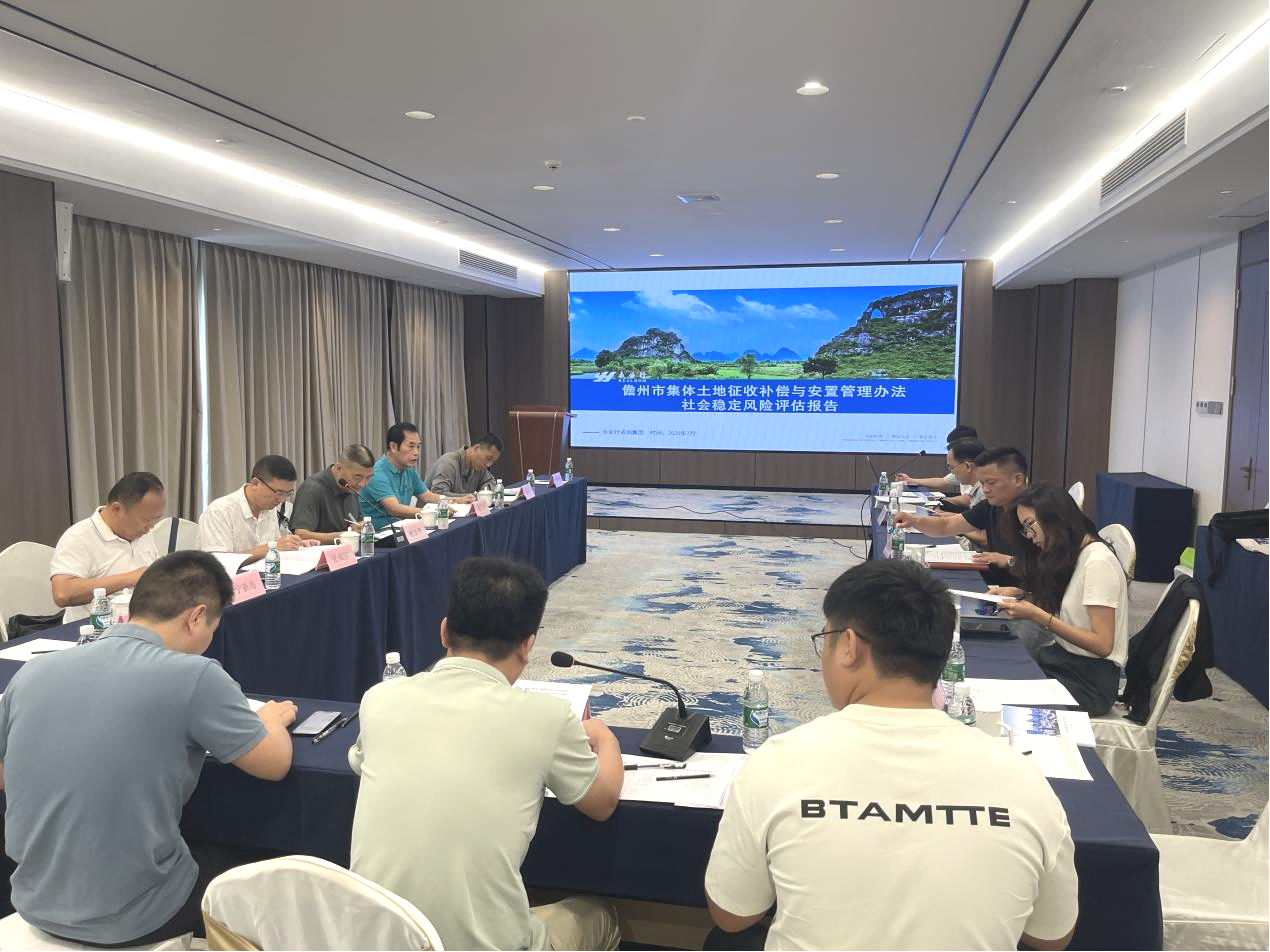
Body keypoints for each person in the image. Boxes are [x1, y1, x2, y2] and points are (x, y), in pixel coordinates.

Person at [703, 560, 1077, 951]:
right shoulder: (1025, 781)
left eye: (825, 639)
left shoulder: (776, 764)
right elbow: (1050, 937)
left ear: (849, 647)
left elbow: (733, 915)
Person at [0, 551, 297, 946]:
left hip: (33, 900)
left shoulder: (34, 672)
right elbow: (274, 764)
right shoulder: (195, 675)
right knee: (277, 873)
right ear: (196, 617)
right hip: (135, 915)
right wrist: (271, 722)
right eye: (213, 628)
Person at [349, 557, 624, 951]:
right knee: (601, 915)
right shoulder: (547, 717)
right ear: (527, 646)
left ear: (444, 630)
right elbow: (603, 802)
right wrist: (606, 739)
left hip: (375, 939)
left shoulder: (380, 698)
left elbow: (360, 762)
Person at [992, 482, 1129, 715]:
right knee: (1001, 667)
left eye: (1030, 526)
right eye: (1025, 529)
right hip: (1062, 660)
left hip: (1087, 683)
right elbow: (1071, 608)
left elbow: (1103, 645)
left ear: (1055, 518)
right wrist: (1023, 596)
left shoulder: (1097, 562)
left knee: (1001, 692)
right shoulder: (1072, 554)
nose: (1030, 537)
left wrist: (1038, 616)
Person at [893, 446, 1028, 586]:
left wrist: (1009, 561)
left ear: (1017, 479)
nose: (985, 490)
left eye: (991, 483)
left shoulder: (1036, 511)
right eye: (982, 483)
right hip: (997, 581)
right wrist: (913, 520)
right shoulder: (990, 506)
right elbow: (946, 526)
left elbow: (1042, 568)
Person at [49, 471, 166, 623]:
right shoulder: (79, 537)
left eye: (156, 519)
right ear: (117, 509)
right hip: (95, 629)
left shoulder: (144, 533)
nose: (151, 527)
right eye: (147, 519)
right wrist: (130, 578)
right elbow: (63, 593)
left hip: (143, 623)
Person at [199, 455, 315, 562]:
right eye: (278, 493)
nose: (281, 500)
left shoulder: (270, 508)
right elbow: (218, 561)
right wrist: (273, 547)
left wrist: (295, 545)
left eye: (287, 494)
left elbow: (276, 550)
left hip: (263, 574)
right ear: (255, 483)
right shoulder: (220, 511)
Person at [359, 422, 445, 530]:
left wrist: (457, 501)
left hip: (401, 529)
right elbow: (394, 509)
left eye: (418, 447)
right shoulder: (376, 473)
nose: (416, 452)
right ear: (394, 447)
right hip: (378, 534)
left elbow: (428, 496)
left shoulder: (408, 470)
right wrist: (432, 512)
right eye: (411, 446)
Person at [291, 443, 376, 544]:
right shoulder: (312, 489)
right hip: (319, 552)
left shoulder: (351, 487)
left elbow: (356, 522)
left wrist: (358, 526)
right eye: (357, 477)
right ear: (339, 469)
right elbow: (301, 535)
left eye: (368, 478)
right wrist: (345, 535)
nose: (362, 484)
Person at [898, 425, 979, 491]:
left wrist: (940, 501)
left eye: (952, 447)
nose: (950, 450)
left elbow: (967, 499)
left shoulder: (979, 470)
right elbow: (942, 481)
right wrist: (910, 480)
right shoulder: (960, 468)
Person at [425, 433, 502, 498]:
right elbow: (438, 494)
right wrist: (469, 497)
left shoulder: (479, 467)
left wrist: (483, 493)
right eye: (488, 458)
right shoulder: (449, 463)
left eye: (492, 462)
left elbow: (491, 481)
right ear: (476, 448)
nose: (488, 464)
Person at [939, 437, 987, 508]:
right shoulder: (978, 486)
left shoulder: (984, 491)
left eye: (952, 467)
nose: (952, 473)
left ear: (968, 466)